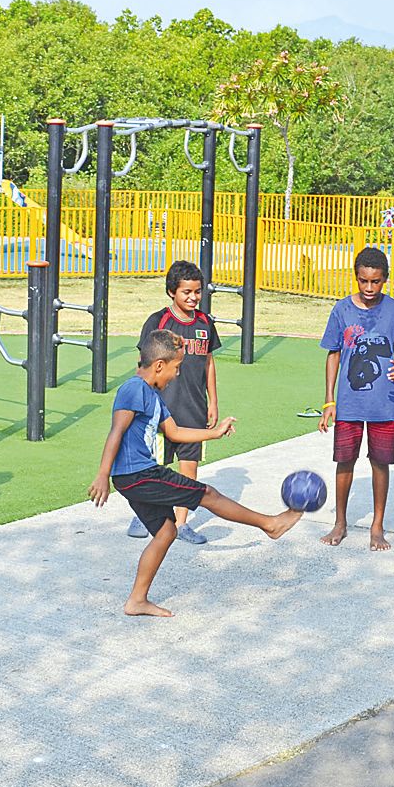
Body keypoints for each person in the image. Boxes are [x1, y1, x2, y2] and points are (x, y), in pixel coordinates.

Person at [91, 329, 303, 617]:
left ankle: (136, 601)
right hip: (139, 473)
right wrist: (103, 475)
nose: (177, 375)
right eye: (176, 368)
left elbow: (174, 432)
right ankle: (269, 525)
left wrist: (213, 433)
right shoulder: (133, 389)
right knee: (207, 493)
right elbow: (116, 431)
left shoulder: (153, 395)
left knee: (166, 532)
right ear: (159, 365)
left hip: (135, 477)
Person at [317, 246, 394, 551]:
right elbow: (333, 355)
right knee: (345, 461)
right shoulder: (341, 310)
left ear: (385, 279)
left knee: (380, 462)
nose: (369, 288)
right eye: (363, 281)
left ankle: (377, 526)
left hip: (383, 404)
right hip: (348, 403)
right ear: (356, 278)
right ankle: (340, 522)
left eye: (376, 282)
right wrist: (329, 401)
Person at [127, 260, 222, 545]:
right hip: (160, 407)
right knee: (155, 466)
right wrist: (139, 401)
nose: (193, 297)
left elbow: (209, 362)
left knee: (189, 467)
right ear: (171, 292)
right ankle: (145, 512)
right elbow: (143, 365)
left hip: (194, 406)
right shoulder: (159, 322)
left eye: (197, 292)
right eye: (186, 292)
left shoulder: (206, 323)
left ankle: (181, 524)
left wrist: (213, 401)